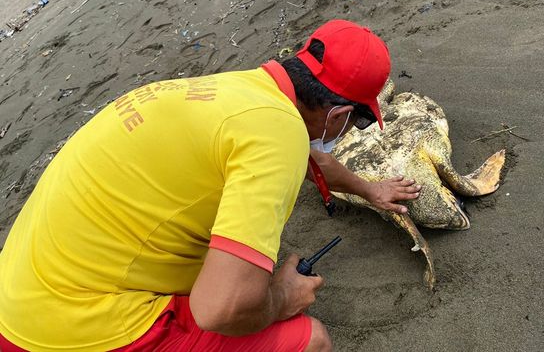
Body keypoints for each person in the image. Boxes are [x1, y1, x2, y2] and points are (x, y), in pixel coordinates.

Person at [0, 19, 420, 351]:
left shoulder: (242, 90)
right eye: (360, 120)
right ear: (338, 114)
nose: (353, 129)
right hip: (69, 333)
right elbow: (220, 309)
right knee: (310, 339)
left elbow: (315, 159)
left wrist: (369, 190)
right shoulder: (279, 136)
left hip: (18, 298)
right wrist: (280, 298)